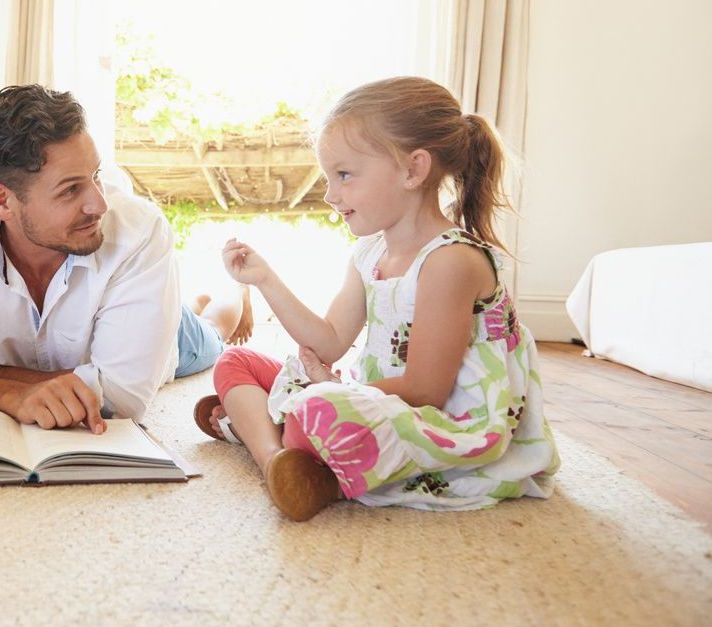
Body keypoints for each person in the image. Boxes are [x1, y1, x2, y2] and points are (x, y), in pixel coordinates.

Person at [194, 76, 559, 521]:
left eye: (344, 175)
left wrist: (328, 389)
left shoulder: (450, 262)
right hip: (371, 397)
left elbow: (427, 390)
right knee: (236, 363)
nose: (331, 195)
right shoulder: (370, 252)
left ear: (412, 170)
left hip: (440, 421)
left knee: (318, 407)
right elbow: (328, 341)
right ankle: (278, 459)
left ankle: (275, 440)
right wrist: (265, 279)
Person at [0, 84, 248, 433]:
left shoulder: (139, 233)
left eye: (95, 176)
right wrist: (8, 395)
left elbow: (121, 398)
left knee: (213, 333)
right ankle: (194, 300)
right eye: (70, 190)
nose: (99, 204)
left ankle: (237, 291)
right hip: (134, 310)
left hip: (170, 337)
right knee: (189, 308)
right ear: (2, 201)